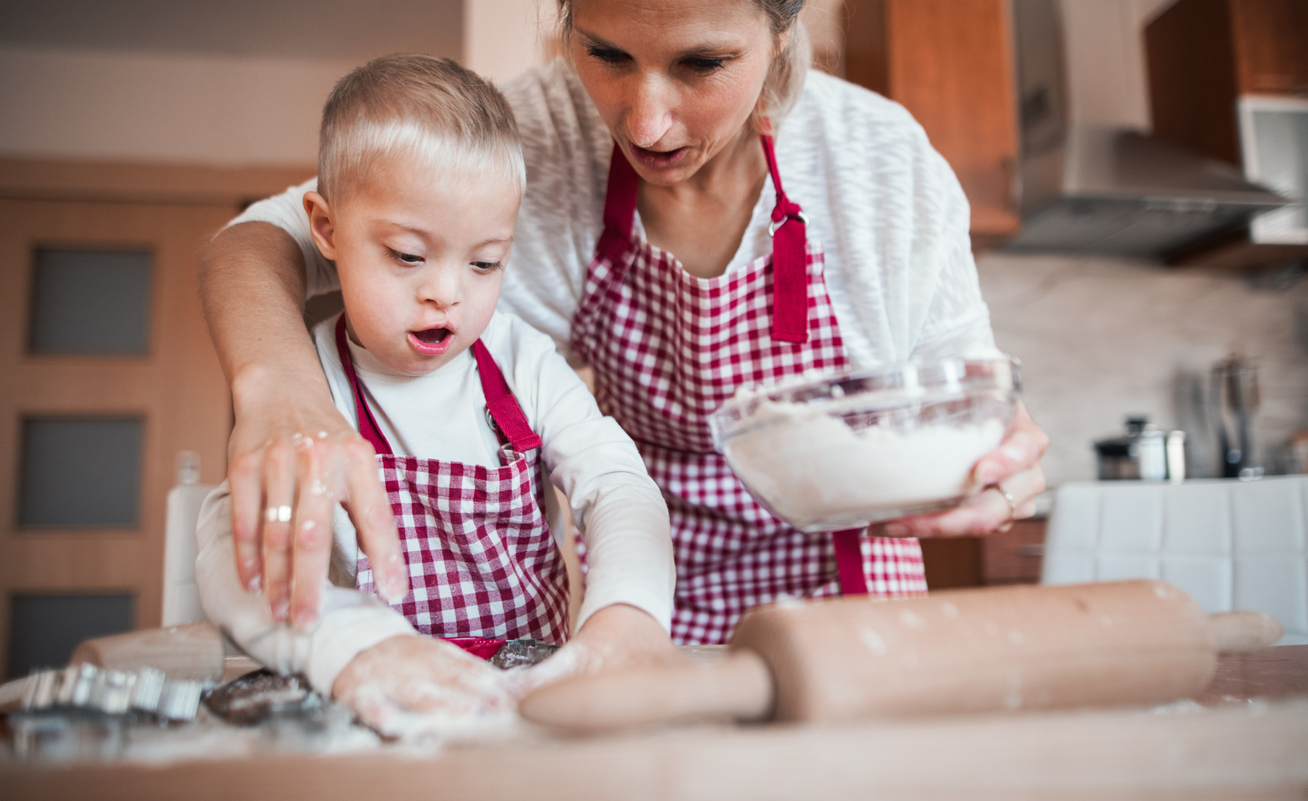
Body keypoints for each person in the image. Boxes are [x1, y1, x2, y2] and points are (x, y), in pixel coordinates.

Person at [199, 0, 1049, 655]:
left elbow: (962, 391)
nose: (644, 122)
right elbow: (256, 240)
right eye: (605, 54)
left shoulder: (881, 161)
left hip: (850, 595)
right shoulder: (532, 135)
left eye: (702, 62)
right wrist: (277, 387)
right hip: (644, 587)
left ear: (780, 31)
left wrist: (992, 459)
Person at [194, 54, 674, 731]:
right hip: (369, 713)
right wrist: (352, 647)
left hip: (522, 709)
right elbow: (229, 544)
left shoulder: (521, 363)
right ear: (325, 229)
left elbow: (617, 481)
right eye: (409, 255)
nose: (446, 292)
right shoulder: (311, 381)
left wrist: (628, 612)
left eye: (485, 262)